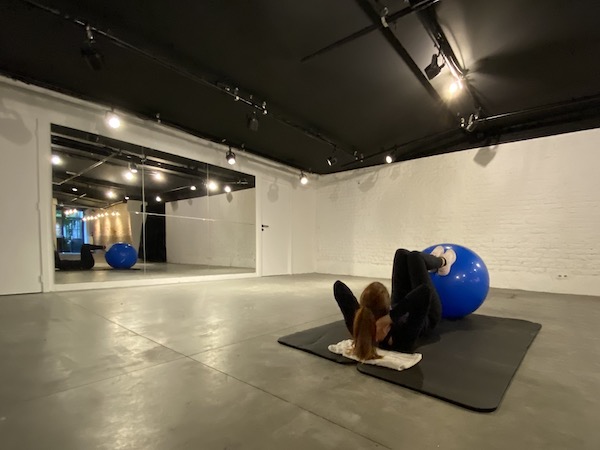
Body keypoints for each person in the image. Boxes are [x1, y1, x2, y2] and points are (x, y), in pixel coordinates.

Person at [333, 246, 456, 360]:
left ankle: (432, 259)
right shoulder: (401, 336)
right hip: (428, 312)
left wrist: (360, 315)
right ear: (387, 306)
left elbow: (339, 288)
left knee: (401, 254)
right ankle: (443, 262)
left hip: (401, 305)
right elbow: (424, 292)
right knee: (415, 257)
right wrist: (390, 317)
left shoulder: (359, 324)